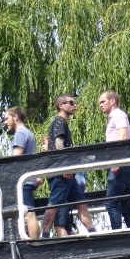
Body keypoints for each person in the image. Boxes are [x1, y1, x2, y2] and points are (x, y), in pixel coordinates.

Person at [40, 97, 96, 238]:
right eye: (70, 103)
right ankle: (45, 236)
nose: (74, 105)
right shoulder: (59, 121)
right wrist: (65, 168)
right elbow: (59, 145)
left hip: (66, 172)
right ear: (60, 105)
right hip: (61, 173)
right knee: (54, 203)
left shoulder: (62, 122)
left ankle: (93, 232)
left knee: (81, 201)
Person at [98, 91, 130, 230]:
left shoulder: (118, 115)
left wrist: (116, 161)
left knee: (111, 203)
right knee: (126, 204)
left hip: (120, 164)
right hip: (124, 163)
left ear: (112, 101)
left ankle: (117, 234)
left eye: (102, 102)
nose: (100, 105)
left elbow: (123, 136)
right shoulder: (114, 117)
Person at [3, 106, 40, 239]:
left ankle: (34, 243)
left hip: (23, 182)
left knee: (28, 214)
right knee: (27, 213)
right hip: (28, 180)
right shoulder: (28, 133)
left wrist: (5, 181)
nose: (5, 122)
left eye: (7, 118)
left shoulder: (20, 133)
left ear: (15, 117)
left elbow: (16, 160)